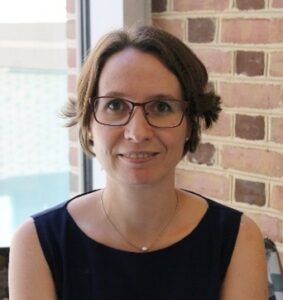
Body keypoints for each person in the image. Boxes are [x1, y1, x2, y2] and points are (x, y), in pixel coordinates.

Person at [9, 25, 268, 299]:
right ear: (87, 124)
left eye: (161, 107)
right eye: (115, 105)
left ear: (190, 125)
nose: (138, 133)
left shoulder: (238, 238)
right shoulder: (38, 242)